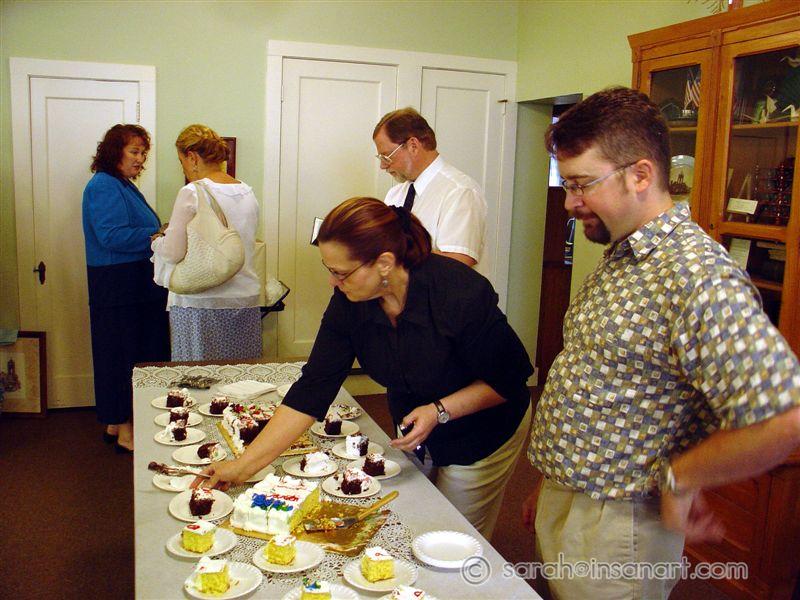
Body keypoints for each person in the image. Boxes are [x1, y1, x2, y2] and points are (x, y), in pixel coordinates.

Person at [523, 87, 800, 599]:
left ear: (641, 175)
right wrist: (551, 480)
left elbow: (783, 417)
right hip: (575, 499)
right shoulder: (625, 254)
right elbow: (598, 376)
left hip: (619, 526)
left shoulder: (697, 275)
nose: (569, 203)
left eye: (581, 184)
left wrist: (681, 477)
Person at [202, 197, 532, 539]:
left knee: (455, 536)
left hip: (483, 429)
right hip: (415, 424)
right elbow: (313, 388)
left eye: (340, 273)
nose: (332, 282)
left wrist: (439, 410)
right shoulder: (350, 301)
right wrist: (243, 467)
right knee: (415, 520)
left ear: (384, 263)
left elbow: (510, 379)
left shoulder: (458, 292)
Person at [82, 124, 170, 453]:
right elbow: (111, 236)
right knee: (122, 357)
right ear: (114, 152)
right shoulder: (104, 185)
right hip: (119, 286)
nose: (140, 159)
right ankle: (125, 432)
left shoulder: (120, 184)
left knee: (123, 354)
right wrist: (156, 236)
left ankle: (115, 423)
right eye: (134, 151)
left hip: (128, 285)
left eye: (143, 152)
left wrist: (156, 232)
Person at [151, 124, 261, 361]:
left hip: (200, 303)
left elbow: (173, 253)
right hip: (244, 299)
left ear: (192, 157)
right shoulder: (247, 192)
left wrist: (157, 242)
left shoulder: (192, 192)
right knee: (239, 373)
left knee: (197, 375)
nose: (183, 167)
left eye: (181, 161)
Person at [373, 108, 486, 267]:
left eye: (386, 156)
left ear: (413, 145)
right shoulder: (395, 194)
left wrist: (397, 251)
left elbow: (458, 264)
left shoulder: (460, 192)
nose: (383, 166)